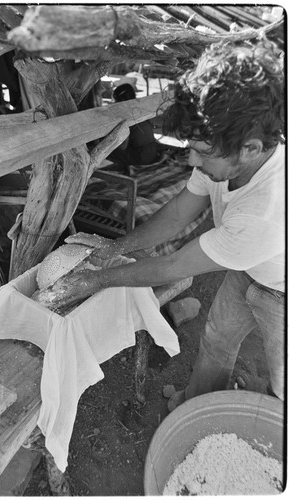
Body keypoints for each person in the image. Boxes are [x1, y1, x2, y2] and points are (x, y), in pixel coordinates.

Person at [60, 38, 285, 408]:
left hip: (281, 289)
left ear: (251, 149)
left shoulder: (267, 211)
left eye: (203, 152)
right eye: (190, 147)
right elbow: (180, 211)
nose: (192, 161)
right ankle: (197, 406)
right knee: (216, 339)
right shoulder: (220, 161)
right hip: (250, 268)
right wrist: (115, 249)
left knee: (283, 382)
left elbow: (173, 265)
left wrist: (96, 280)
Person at [108, 83, 160, 166]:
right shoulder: (140, 109)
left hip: (141, 157)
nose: (113, 103)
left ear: (120, 100)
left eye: (114, 101)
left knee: (104, 151)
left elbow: (123, 147)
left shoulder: (125, 115)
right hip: (153, 152)